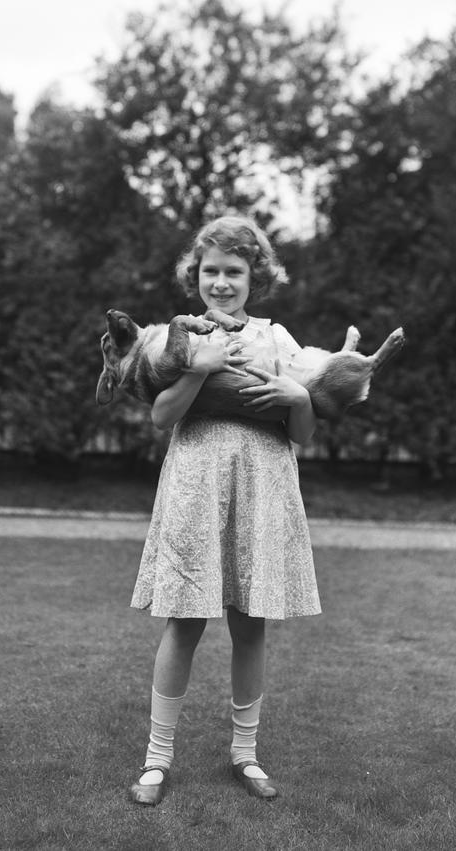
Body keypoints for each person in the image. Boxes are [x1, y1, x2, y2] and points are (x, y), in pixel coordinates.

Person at [129, 215, 321, 806]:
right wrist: (200, 369)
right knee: (184, 621)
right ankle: (157, 762)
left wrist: (299, 397)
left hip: (262, 485)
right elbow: (163, 416)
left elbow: (304, 435)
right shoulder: (177, 337)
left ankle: (246, 755)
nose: (220, 281)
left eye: (233, 271)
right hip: (196, 487)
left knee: (249, 626)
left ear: (253, 277)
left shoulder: (277, 338)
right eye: (210, 270)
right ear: (196, 276)